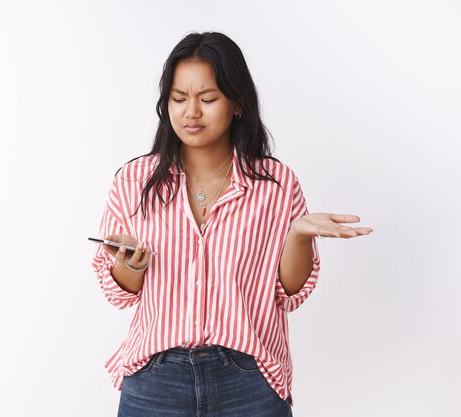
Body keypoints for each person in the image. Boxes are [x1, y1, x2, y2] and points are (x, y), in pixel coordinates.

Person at [91, 31, 373, 417]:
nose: (191, 112)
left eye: (207, 99)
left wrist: (297, 236)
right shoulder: (134, 181)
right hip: (155, 378)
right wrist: (131, 263)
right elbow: (118, 293)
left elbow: (289, 293)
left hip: (248, 377)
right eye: (178, 99)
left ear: (237, 104)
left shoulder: (277, 185)